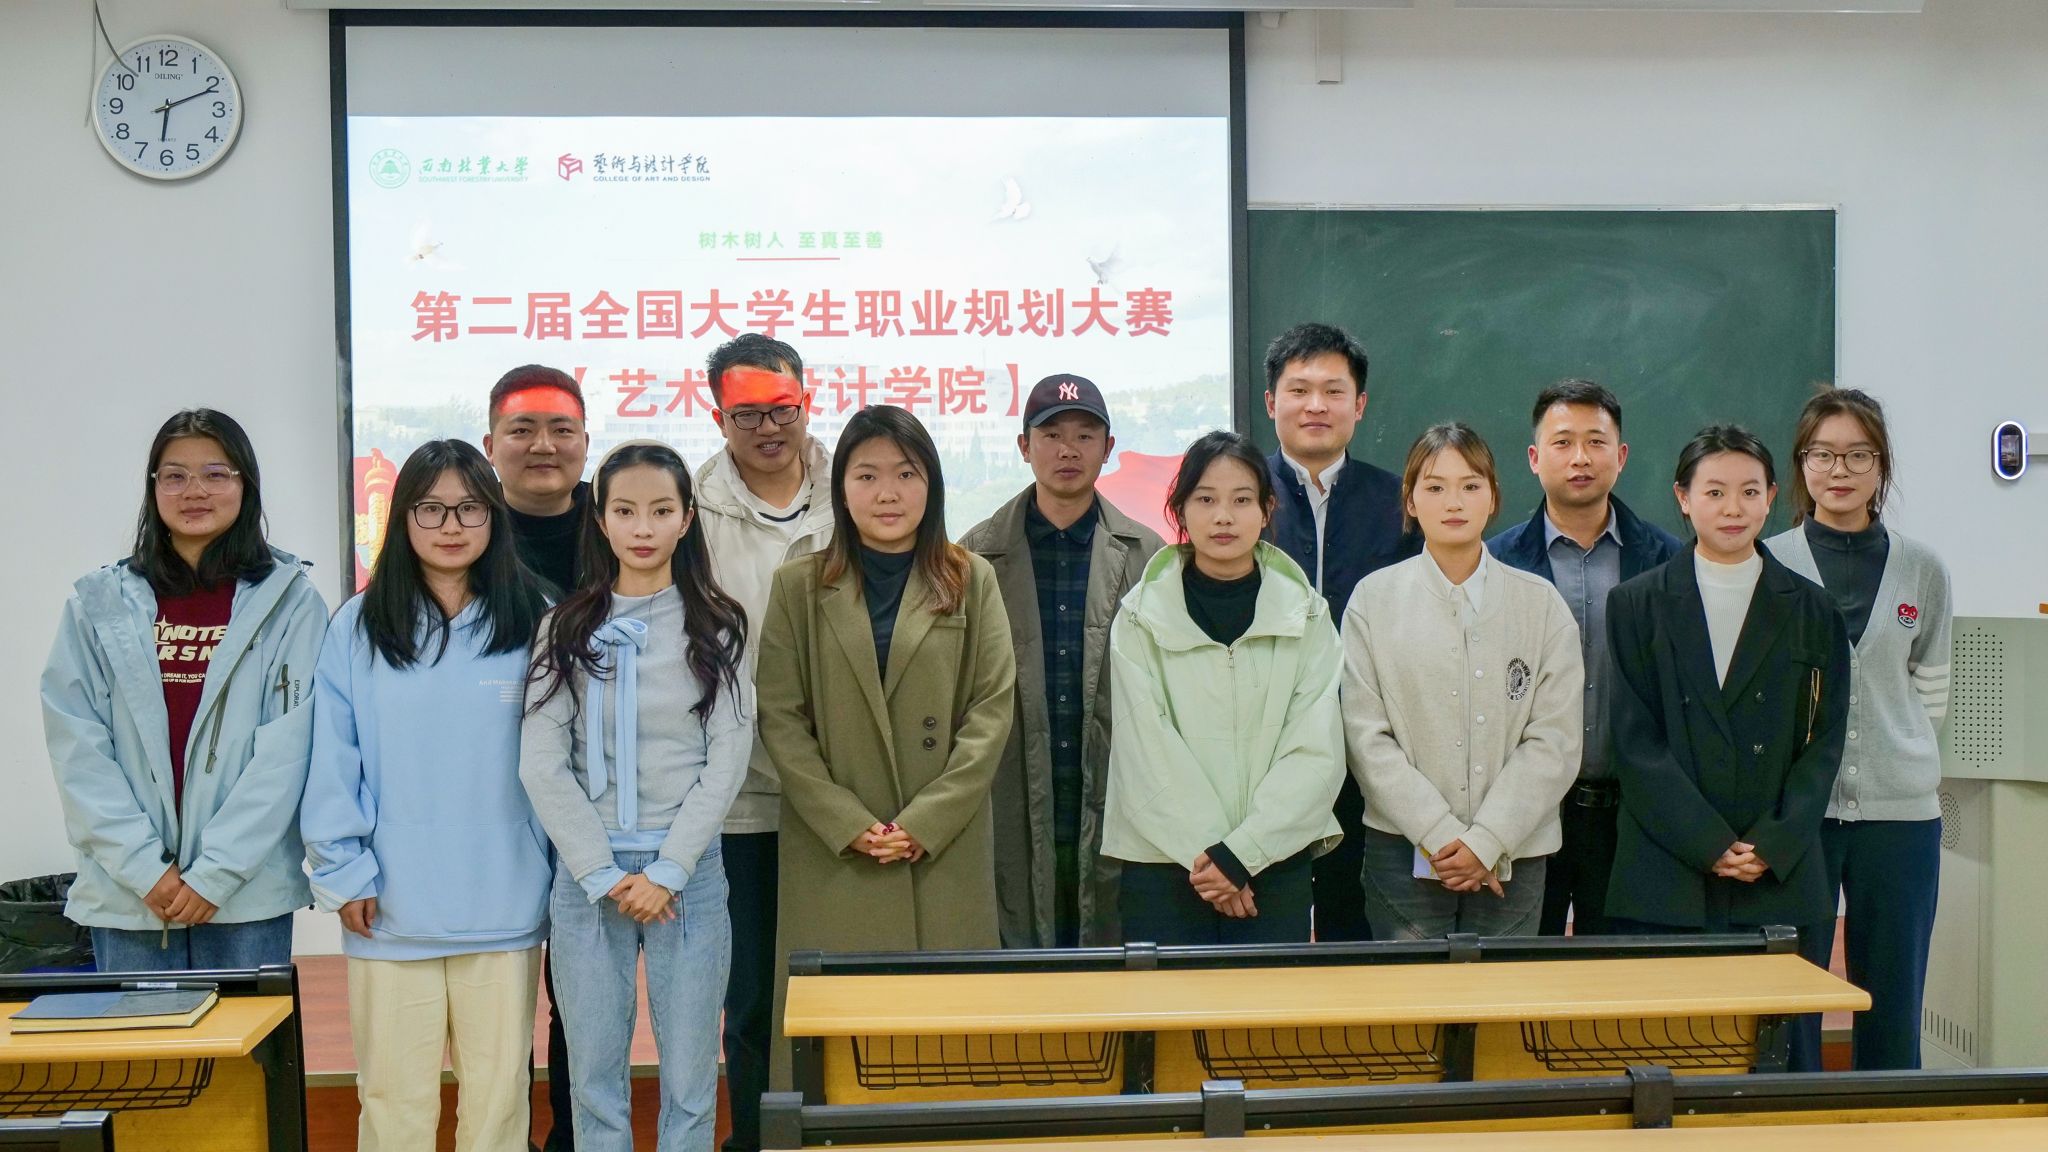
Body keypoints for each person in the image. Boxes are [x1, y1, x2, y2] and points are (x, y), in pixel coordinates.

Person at [303, 439, 552, 1152]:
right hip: (388, 905)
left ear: (494, 517)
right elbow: (332, 757)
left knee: (498, 1104)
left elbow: (562, 762)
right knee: (393, 1105)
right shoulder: (358, 625)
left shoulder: (537, 616)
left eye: (470, 508)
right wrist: (343, 870)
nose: (451, 525)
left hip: (504, 901)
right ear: (402, 517)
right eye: (431, 508)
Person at [756, 405, 1015, 1088]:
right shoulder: (798, 585)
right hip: (837, 851)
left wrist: (924, 823)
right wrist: (847, 822)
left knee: (946, 1050)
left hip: (941, 848)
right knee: (836, 1055)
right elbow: (780, 717)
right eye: (866, 475)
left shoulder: (971, 578)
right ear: (840, 488)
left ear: (932, 485)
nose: (887, 493)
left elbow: (991, 712)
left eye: (906, 473)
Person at [521, 441, 752, 1152]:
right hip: (589, 879)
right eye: (624, 511)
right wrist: (601, 872)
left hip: (689, 875)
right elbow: (540, 761)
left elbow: (727, 759)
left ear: (687, 518)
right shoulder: (563, 627)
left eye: (660, 510)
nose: (643, 527)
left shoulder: (718, 625)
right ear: (600, 518)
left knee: (690, 1079)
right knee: (593, 1081)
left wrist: (669, 871)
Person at [43, 409, 327, 972]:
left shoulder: (292, 603)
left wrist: (216, 874)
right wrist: (144, 869)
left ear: (246, 485)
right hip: (131, 895)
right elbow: (78, 750)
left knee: (246, 1034)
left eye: (216, 474)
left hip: (245, 891)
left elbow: (287, 755)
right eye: (174, 476)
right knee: (139, 1035)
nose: (194, 491)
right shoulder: (99, 605)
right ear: (153, 489)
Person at [1605, 425, 1851, 1073]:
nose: (1732, 508)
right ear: (1683, 498)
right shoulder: (1635, 605)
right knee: (1664, 1061)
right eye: (1714, 492)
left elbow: (1825, 743)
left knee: (1778, 1065)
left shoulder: (1814, 610)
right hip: (1666, 876)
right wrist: (1709, 843)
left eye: (1749, 491)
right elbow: (1634, 741)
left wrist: (1769, 844)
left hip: (1779, 876)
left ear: (1772, 497)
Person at [1765, 388, 1952, 1071]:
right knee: (1790, 999)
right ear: (1800, 464)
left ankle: (1889, 1117)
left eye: (1857, 455)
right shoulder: (1768, 563)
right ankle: (1793, 1119)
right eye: (1821, 454)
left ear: (1882, 465)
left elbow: (1930, 692)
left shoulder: (1922, 569)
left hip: (1900, 818)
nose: (1838, 469)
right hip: (1798, 817)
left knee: (1893, 997)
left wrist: (1894, 758)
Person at [1101, 430, 1345, 945]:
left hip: (1274, 863)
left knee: (1269, 1001)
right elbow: (1144, 751)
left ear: (1267, 508)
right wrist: (1217, 863)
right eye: (1206, 500)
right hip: (1164, 865)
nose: (1224, 517)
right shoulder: (1140, 617)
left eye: (1241, 500)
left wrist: (1242, 854)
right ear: (1180, 509)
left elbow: (1316, 751)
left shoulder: (1308, 616)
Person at [1345, 423, 1583, 940]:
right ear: (1410, 500)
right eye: (1434, 487)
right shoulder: (1373, 601)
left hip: (1515, 852)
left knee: (1504, 990)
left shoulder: (1540, 604)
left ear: (1493, 497)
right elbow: (1366, 738)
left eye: (1471, 485)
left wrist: (1487, 840)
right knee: (1411, 992)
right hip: (1402, 851)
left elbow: (1555, 740)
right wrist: (1438, 832)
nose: (1454, 502)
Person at [961, 374, 1165, 949]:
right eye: (1051, 435)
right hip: (1010, 785)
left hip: (1117, 781)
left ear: (1109, 447)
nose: (1068, 450)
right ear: (1024, 447)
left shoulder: (1148, 555)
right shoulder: (972, 556)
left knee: (1113, 949)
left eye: (1085, 435)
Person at [692, 334, 834, 1152]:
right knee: (748, 1000)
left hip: (842, 796)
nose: (769, 427)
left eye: (783, 409)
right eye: (747, 414)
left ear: (807, 401)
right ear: (718, 416)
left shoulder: (857, 489)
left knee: (837, 987)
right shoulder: (691, 508)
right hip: (739, 799)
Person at [1487, 381, 1682, 936]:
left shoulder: (1667, 561)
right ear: (1534, 458)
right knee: (1525, 974)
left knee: (1620, 977)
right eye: (1562, 442)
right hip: (1525, 814)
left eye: (1596, 442)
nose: (1580, 458)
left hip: (1631, 816)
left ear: (1621, 456)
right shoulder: (1495, 563)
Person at [1262, 322, 1419, 941]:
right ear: (1271, 402)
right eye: (1299, 390)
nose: (1316, 406)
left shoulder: (1402, 503)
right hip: (1264, 744)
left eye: (1333, 391)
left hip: (1372, 747)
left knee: (1357, 924)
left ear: (1360, 405)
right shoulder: (1237, 497)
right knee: (1265, 918)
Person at [482, 362, 588, 1148]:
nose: (542, 445)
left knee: (584, 998)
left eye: (561, 429)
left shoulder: (624, 523)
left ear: (587, 441)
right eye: (522, 429)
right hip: (492, 801)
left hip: (602, 801)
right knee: (498, 1000)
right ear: (491, 444)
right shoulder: (459, 532)